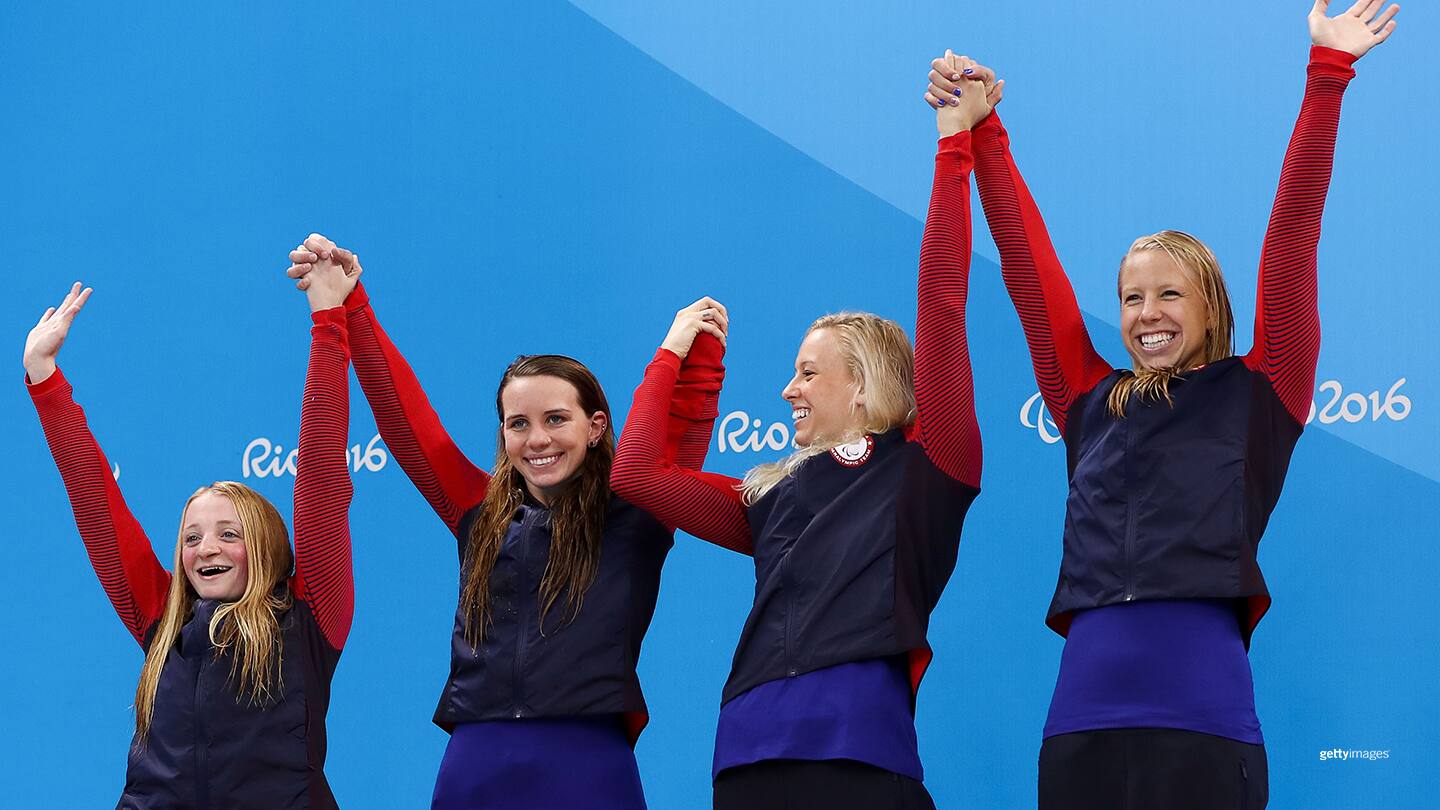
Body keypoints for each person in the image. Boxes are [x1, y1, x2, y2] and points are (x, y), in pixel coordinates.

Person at [923, 2, 1399, 807]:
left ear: (1211, 306)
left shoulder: (1264, 389)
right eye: (1132, 297)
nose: (1146, 313)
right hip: (1079, 731)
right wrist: (983, 131)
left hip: (1204, 727)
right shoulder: (1085, 397)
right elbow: (1025, 268)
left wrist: (1328, 75)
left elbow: (1292, 240)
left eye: (1169, 293)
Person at [608, 64, 989, 810]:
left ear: (865, 386)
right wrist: (675, 353)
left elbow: (941, 306)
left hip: (859, 754)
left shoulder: (929, 465)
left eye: (809, 372)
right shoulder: (770, 493)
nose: (788, 390)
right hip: (745, 760)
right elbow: (635, 475)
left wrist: (954, 146)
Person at [285, 236, 726, 809]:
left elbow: (684, 427)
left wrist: (684, 352)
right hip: (476, 761)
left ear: (596, 428)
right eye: (519, 423)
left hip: (588, 762)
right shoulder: (478, 508)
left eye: (556, 419)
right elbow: (403, 418)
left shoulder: (638, 510)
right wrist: (352, 303)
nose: (537, 439)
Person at [24, 257, 358, 808]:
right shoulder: (163, 622)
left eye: (230, 533)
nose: (206, 548)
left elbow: (321, 477)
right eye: (192, 537)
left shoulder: (311, 621)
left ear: (269, 548)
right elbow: (96, 503)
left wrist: (328, 319)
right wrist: (44, 377)